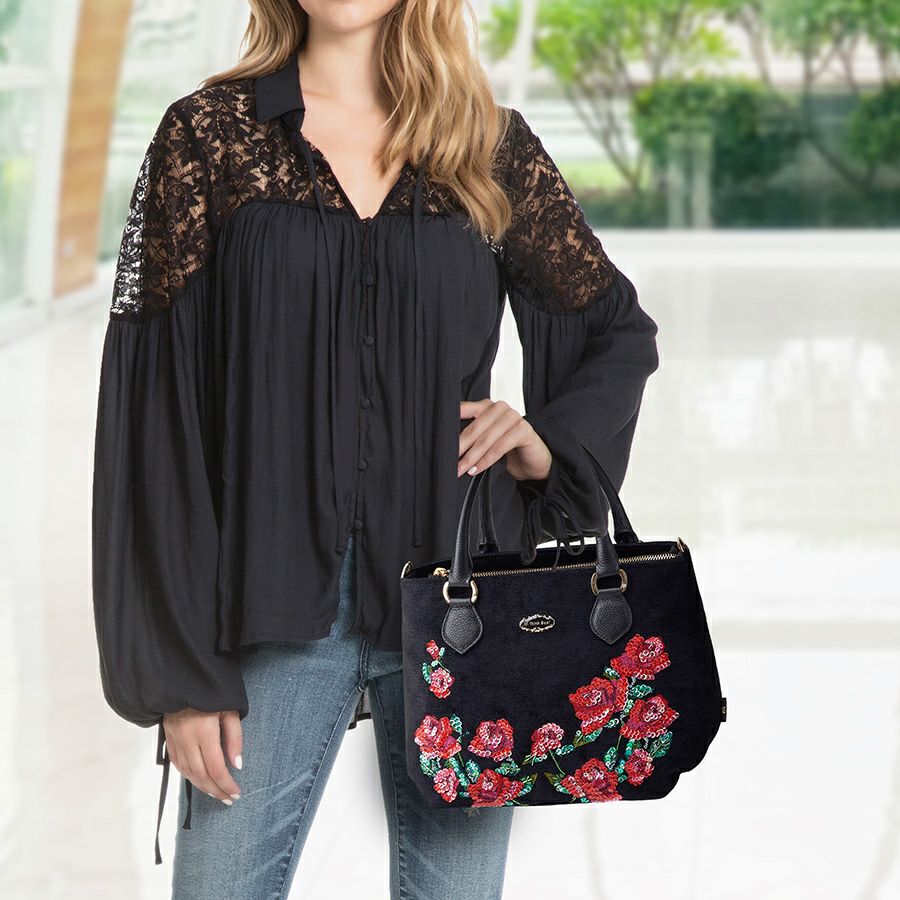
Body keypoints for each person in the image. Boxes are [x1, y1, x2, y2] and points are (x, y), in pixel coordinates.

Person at [90, 1, 660, 897]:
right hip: (267, 606)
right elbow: (153, 410)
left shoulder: (487, 145)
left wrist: (544, 442)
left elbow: (615, 331)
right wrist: (180, 676)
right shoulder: (207, 138)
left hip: (467, 608)